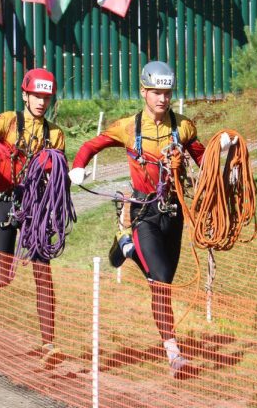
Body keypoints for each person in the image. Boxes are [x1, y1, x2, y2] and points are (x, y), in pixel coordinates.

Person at [69, 61, 209, 379]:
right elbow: (91, 145)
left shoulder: (184, 127)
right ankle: (174, 355)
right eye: (156, 92)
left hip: (174, 212)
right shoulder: (127, 127)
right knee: (159, 279)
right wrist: (77, 167)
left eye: (167, 92)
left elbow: (204, 158)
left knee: (163, 283)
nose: (162, 98)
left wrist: (223, 166)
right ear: (143, 91)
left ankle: (126, 246)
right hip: (144, 212)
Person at [0, 67, 66, 369]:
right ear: (25, 95)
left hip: (36, 207)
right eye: (36, 96)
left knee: (42, 272)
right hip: (4, 202)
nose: (41, 102)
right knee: (5, 274)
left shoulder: (55, 134)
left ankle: (49, 344)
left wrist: (51, 165)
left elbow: (60, 174)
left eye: (46, 97)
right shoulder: (6, 121)